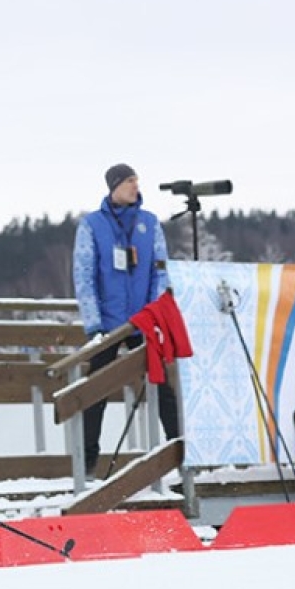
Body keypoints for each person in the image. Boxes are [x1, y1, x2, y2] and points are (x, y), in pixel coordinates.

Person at [72, 163, 181, 475]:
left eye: (137, 180)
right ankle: (87, 462)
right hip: (107, 324)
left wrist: (153, 314)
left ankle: (178, 452)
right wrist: (93, 324)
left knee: (162, 386)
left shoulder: (149, 223)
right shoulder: (92, 225)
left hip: (142, 321)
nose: (136, 186)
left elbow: (160, 270)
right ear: (115, 186)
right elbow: (84, 275)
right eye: (130, 181)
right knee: (96, 390)